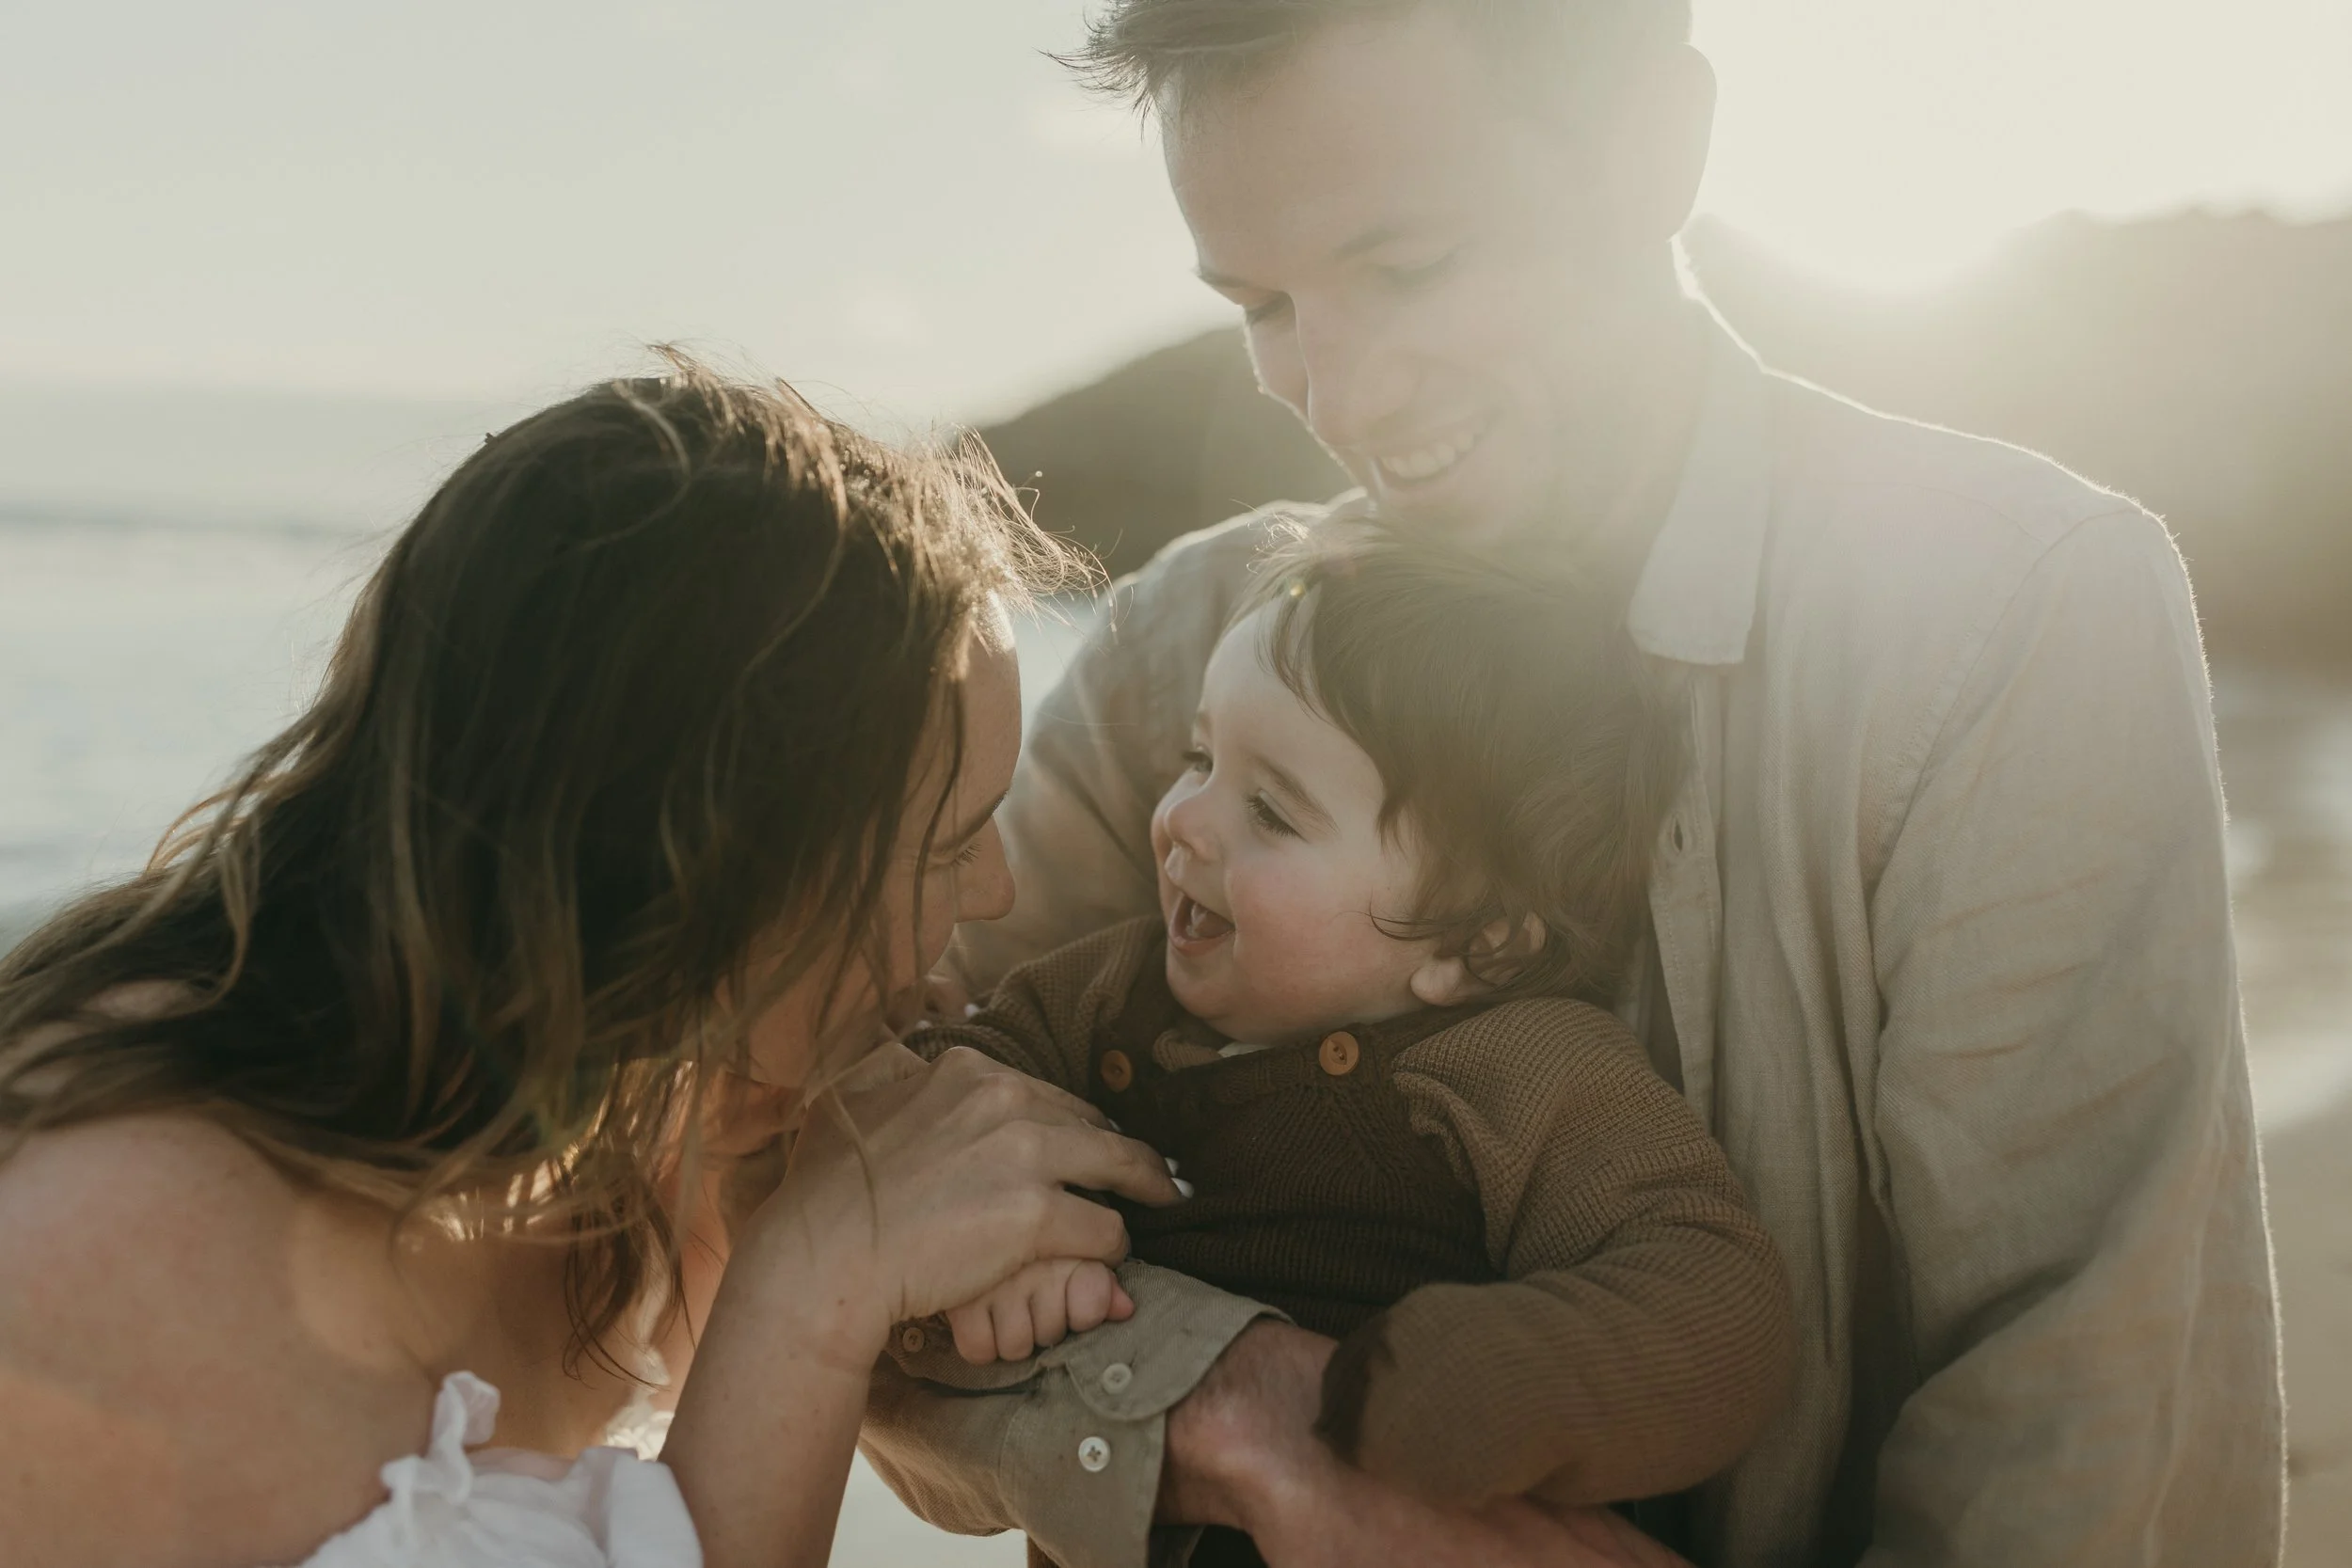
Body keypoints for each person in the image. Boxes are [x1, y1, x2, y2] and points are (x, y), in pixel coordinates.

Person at [861, 3, 2284, 1565]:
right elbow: (841, 1181)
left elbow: (2072, 1438)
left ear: (1655, 153)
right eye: (1264, 303)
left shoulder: (2016, 617)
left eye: (1410, 268)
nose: (1342, 396)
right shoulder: (1179, 649)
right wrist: (1245, 1411)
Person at [0, 357, 1186, 1568]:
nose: (993, 891)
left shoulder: (603, 1108)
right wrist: (818, 1278)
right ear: (710, 873)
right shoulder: (121, 1253)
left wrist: (784, 1178)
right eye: (944, 841)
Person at [894, 526, 1796, 1560]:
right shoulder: (1101, 994)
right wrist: (1008, 1251)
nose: (1186, 819)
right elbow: (933, 1112)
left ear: (1474, 944)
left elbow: (1711, 1296)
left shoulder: (1526, 1067)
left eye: (1271, 810)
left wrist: (1491, 1386)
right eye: (1199, 757)